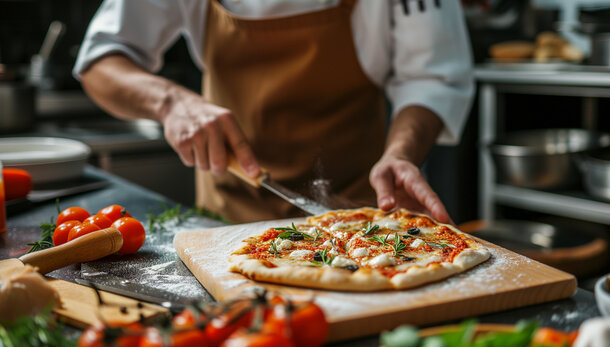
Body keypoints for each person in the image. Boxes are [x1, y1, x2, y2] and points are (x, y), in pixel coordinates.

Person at [74, 0, 474, 224]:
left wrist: (400, 154)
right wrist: (171, 102)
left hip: (360, 220)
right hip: (224, 221)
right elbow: (100, 62)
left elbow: (432, 77)